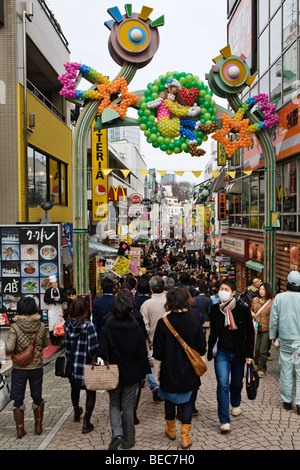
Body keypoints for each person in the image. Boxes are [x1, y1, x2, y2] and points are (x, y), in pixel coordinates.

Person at [153, 287, 206, 449]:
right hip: (189, 370)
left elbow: (158, 352)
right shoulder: (193, 321)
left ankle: (170, 430)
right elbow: (202, 348)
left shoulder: (163, 323)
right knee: (187, 402)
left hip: (169, 369)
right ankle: (185, 437)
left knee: (169, 399)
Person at [97, 292, 149, 450]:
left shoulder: (108, 326)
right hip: (132, 372)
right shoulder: (136, 327)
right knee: (127, 406)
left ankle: (117, 434)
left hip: (113, 371)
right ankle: (129, 440)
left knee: (114, 404)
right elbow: (142, 353)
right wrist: (143, 373)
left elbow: (101, 351)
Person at [207, 279, 254, 433]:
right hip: (222, 352)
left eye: (227, 289)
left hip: (239, 353)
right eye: (221, 288)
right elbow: (213, 332)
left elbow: (250, 334)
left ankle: (236, 403)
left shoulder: (242, 309)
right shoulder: (215, 309)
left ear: (233, 292)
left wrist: (249, 354)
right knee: (222, 384)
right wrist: (210, 349)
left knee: (236, 383)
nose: (223, 291)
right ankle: (224, 420)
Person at [5, 297, 48, 438]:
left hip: (19, 367)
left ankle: (19, 429)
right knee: (37, 396)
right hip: (36, 367)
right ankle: (38, 426)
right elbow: (45, 344)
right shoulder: (41, 326)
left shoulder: (15, 327)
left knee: (18, 398)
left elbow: (10, 347)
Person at [64, 297, 98, 433]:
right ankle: (86, 422)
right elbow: (93, 348)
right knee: (91, 392)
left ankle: (76, 411)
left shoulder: (67, 325)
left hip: (73, 365)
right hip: (87, 365)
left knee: (74, 388)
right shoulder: (89, 326)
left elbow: (66, 348)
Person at [269, 271, 300, 414]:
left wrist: (272, 336)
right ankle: (299, 403)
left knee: (286, 370)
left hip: (285, 340)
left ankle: (287, 400)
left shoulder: (280, 298)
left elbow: (274, 319)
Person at [140, 276, 167, 400]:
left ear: (151, 289)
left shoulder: (146, 305)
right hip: (169, 339)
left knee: (151, 364)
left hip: (151, 340)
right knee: (167, 363)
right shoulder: (169, 301)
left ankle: (155, 386)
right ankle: (166, 386)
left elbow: (145, 325)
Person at [251, 283, 274, 377]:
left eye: (263, 289)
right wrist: (252, 313)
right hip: (256, 328)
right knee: (255, 349)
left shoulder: (272, 302)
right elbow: (251, 310)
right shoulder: (255, 300)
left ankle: (262, 368)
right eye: (260, 289)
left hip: (266, 329)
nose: (261, 291)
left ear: (267, 291)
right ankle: (256, 363)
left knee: (263, 350)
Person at [44, 275, 67, 346]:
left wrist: (59, 299)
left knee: (59, 324)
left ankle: (59, 339)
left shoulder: (61, 290)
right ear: (50, 284)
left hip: (59, 309)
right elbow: (45, 299)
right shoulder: (48, 291)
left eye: (56, 283)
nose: (55, 284)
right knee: (51, 325)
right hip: (52, 310)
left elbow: (65, 298)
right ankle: (53, 340)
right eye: (53, 283)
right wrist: (53, 300)